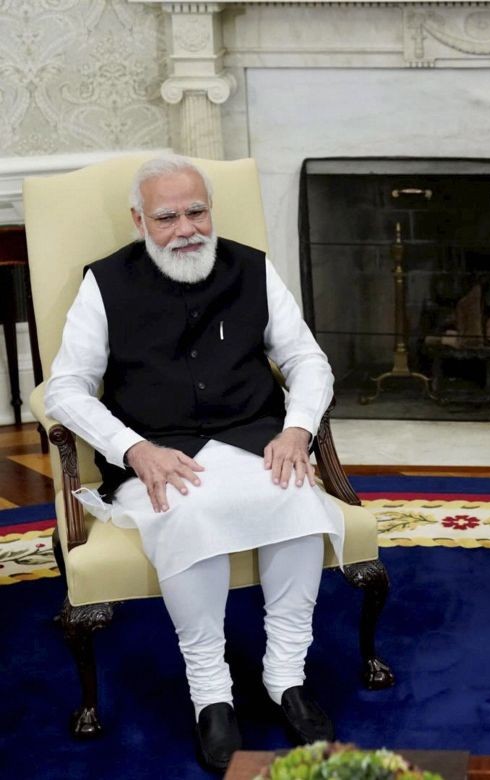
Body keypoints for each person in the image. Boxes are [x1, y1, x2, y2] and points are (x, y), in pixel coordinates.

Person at [45, 155, 343, 772]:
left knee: (294, 498)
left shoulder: (253, 268)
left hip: (255, 438)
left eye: (197, 210)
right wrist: (133, 448)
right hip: (159, 455)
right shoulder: (103, 283)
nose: (187, 227)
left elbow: (308, 361)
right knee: (189, 513)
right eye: (167, 216)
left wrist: (297, 430)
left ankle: (285, 676)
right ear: (139, 220)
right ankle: (211, 694)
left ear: (212, 209)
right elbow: (66, 389)